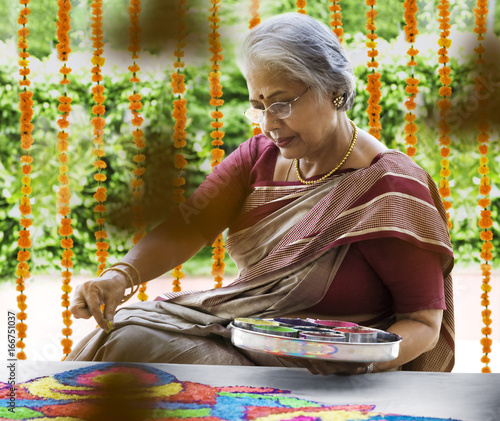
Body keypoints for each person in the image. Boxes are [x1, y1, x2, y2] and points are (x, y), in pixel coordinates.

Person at [68, 13, 455, 374]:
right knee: (125, 336)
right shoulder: (258, 158)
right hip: (240, 341)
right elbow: (189, 226)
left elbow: (424, 323)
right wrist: (119, 277)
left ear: (335, 90)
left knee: (138, 351)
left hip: (329, 376)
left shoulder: (389, 186)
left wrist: (360, 362)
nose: (269, 124)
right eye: (258, 107)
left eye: (282, 104)